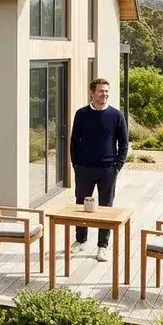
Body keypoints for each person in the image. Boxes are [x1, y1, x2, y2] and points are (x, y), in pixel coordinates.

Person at [70, 77, 129, 262]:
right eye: (101, 91)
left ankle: (102, 246)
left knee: (106, 208)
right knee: (81, 206)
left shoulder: (116, 116)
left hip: (108, 171)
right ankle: (80, 241)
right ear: (92, 93)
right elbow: (74, 142)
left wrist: (117, 167)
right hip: (84, 170)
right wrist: (76, 165)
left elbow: (124, 144)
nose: (104, 94)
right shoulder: (81, 114)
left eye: (106, 91)